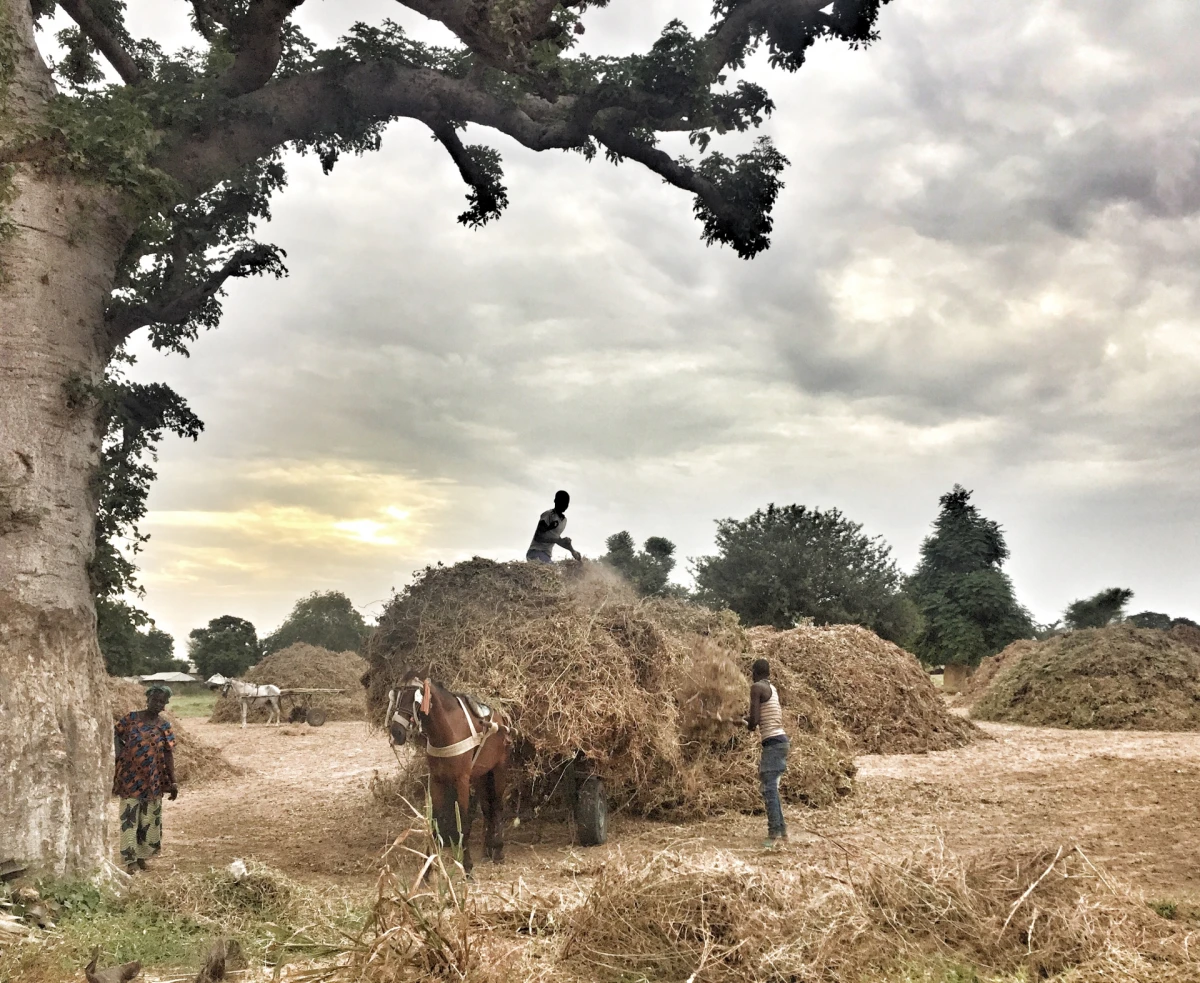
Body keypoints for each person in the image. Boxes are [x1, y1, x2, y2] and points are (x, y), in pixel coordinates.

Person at [113, 684, 178, 873]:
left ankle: (141, 856)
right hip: (129, 777)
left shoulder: (164, 726)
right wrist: (118, 754)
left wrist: (173, 781)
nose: (158, 704)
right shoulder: (131, 719)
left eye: (162, 702)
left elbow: (168, 754)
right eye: (155, 700)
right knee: (129, 818)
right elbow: (114, 734)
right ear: (147, 698)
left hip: (153, 779)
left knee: (148, 820)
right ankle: (130, 860)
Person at [746, 658, 789, 847]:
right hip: (781, 741)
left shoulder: (756, 687)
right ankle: (782, 830)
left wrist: (747, 723)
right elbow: (759, 716)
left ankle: (773, 834)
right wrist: (744, 719)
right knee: (772, 788)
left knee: (769, 788)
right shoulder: (772, 689)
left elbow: (754, 721)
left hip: (772, 743)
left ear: (754, 672)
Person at [526, 489, 582, 563]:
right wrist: (557, 540)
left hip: (546, 555)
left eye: (566, 503)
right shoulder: (548, 515)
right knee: (554, 571)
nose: (564, 504)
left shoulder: (564, 520)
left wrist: (572, 551)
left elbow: (556, 538)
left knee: (555, 571)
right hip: (535, 552)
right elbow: (538, 537)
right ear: (555, 501)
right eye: (561, 501)